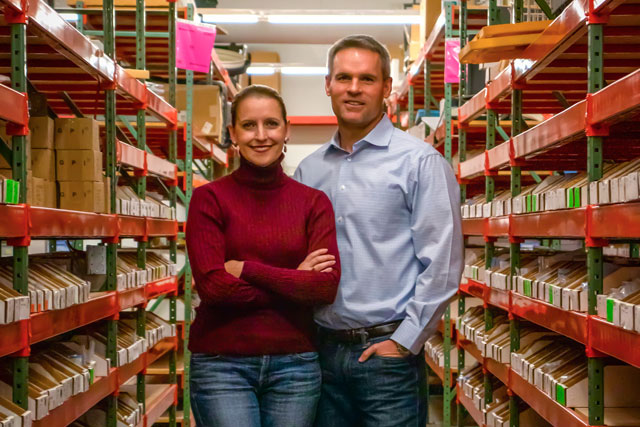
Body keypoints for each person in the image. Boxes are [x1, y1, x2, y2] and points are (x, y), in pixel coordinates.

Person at [294, 35, 464, 427]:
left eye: (367, 79)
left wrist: (403, 342)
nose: (354, 89)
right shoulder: (309, 171)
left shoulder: (419, 162)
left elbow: (443, 263)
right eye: (344, 78)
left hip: (386, 357)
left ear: (386, 88)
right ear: (328, 85)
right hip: (322, 351)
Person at [186, 84, 341, 427]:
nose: (261, 136)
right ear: (233, 134)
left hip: (296, 364)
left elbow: (324, 288)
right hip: (222, 364)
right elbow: (214, 288)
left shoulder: (313, 203)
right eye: (248, 125)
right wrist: (294, 277)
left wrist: (246, 269)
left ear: (287, 130)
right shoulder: (209, 200)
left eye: (271, 124)